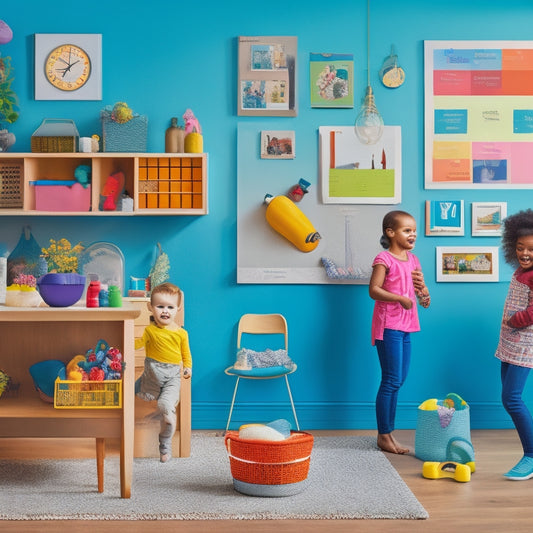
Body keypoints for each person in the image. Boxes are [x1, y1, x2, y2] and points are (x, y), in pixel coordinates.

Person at [369, 210, 430, 454]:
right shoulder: (384, 258)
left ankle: (388, 434)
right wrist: (399, 299)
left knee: (399, 380)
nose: (413, 234)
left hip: (407, 327)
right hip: (389, 326)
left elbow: (422, 297)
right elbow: (373, 290)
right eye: (407, 230)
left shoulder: (414, 260)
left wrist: (423, 291)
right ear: (390, 232)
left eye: (414, 230)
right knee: (391, 380)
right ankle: (384, 436)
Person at [495, 209, 533, 480]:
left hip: (524, 343)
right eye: (520, 248)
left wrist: (515, 320)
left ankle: (531, 454)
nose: (525, 253)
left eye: (531, 249)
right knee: (507, 396)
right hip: (509, 341)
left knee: (511, 397)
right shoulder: (521, 271)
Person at [135, 282, 192, 463]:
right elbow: (138, 344)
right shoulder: (150, 330)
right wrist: (124, 342)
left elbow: (186, 353)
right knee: (128, 389)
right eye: (160, 306)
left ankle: (164, 444)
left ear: (178, 308)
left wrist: (188, 367)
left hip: (172, 377)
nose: (165, 311)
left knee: (165, 407)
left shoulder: (181, 333)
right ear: (150, 308)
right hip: (151, 374)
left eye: (170, 307)